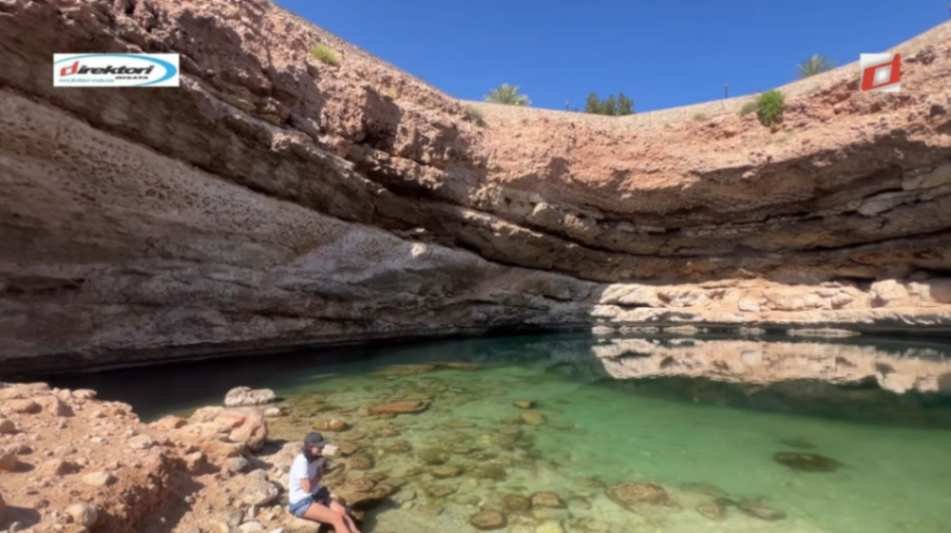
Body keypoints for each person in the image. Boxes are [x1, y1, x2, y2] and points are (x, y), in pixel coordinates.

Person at [287, 432, 361, 533]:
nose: (322, 449)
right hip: (301, 502)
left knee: (342, 511)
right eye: (319, 447)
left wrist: (326, 465)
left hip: (317, 494)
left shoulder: (316, 457)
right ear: (310, 447)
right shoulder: (302, 462)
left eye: (322, 446)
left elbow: (325, 467)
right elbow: (307, 488)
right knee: (337, 518)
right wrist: (319, 475)